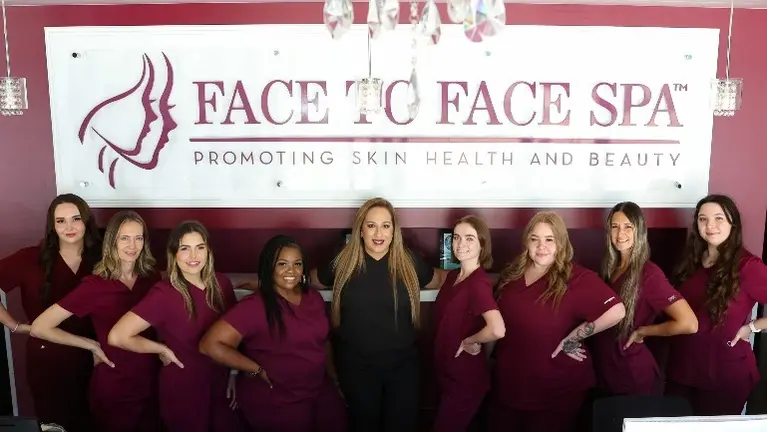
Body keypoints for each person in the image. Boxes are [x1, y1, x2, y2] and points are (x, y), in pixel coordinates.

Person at [311, 197, 444, 432]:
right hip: (356, 367)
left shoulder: (408, 261)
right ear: (361, 230)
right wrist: (267, 282)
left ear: (394, 231)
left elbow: (438, 279)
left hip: (403, 367)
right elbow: (312, 280)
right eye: (371, 225)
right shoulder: (344, 260)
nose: (378, 233)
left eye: (385, 225)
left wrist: (477, 278)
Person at [489, 211, 626, 432]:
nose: (541, 246)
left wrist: (574, 337)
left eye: (549, 239)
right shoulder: (512, 274)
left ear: (561, 243)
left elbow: (617, 310)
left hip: (556, 389)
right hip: (510, 385)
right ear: (526, 242)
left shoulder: (577, 278)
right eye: (534, 239)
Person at [31, 210, 162, 432]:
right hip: (115, 386)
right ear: (112, 242)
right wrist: (90, 344)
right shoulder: (95, 286)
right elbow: (40, 327)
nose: (132, 245)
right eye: (124, 238)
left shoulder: (151, 278)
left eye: (138, 238)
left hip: (152, 381)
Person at [199, 235, 347, 431]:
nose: (291, 271)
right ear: (270, 267)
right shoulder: (255, 306)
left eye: (297, 264)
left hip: (317, 389)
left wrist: (333, 378)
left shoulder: (314, 298)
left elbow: (324, 341)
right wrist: (254, 369)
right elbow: (209, 345)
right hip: (278, 397)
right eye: (282, 264)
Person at [108, 220, 243, 431]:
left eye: (200, 247)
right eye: (185, 249)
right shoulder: (164, 293)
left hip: (220, 382)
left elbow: (235, 336)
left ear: (208, 250)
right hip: (183, 386)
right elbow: (118, 336)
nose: (194, 256)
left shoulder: (221, 284)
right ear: (174, 254)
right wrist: (160, 349)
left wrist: (234, 373)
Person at [0, 193, 101, 431]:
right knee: (56, 424)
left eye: (76, 219)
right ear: (52, 226)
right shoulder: (30, 258)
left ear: (87, 221)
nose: (69, 227)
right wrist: (14, 325)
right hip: (49, 360)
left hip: (95, 357)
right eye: (60, 221)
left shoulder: (103, 258)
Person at [665, 194, 767, 415]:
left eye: (719, 218)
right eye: (703, 219)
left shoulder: (748, 266)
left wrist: (753, 327)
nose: (710, 225)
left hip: (723, 377)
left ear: (733, 223)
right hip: (682, 369)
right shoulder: (691, 260)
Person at [591, 202, 698, 396]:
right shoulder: (610, 267)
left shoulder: (649, 274)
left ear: (639, 230)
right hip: (607, 372)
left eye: (628, 227)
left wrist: (644, 331)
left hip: (632, 377)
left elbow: (689, 323)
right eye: (615, 226)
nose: (620, 233)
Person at [432, 215, 505, 432]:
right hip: (447, 374)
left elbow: (497, 329)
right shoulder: (454, 276)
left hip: (465, 380)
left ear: (482, 244)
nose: (460, 243)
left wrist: (470, 341)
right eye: (456, 237)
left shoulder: (478, 283)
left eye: (469, 238)